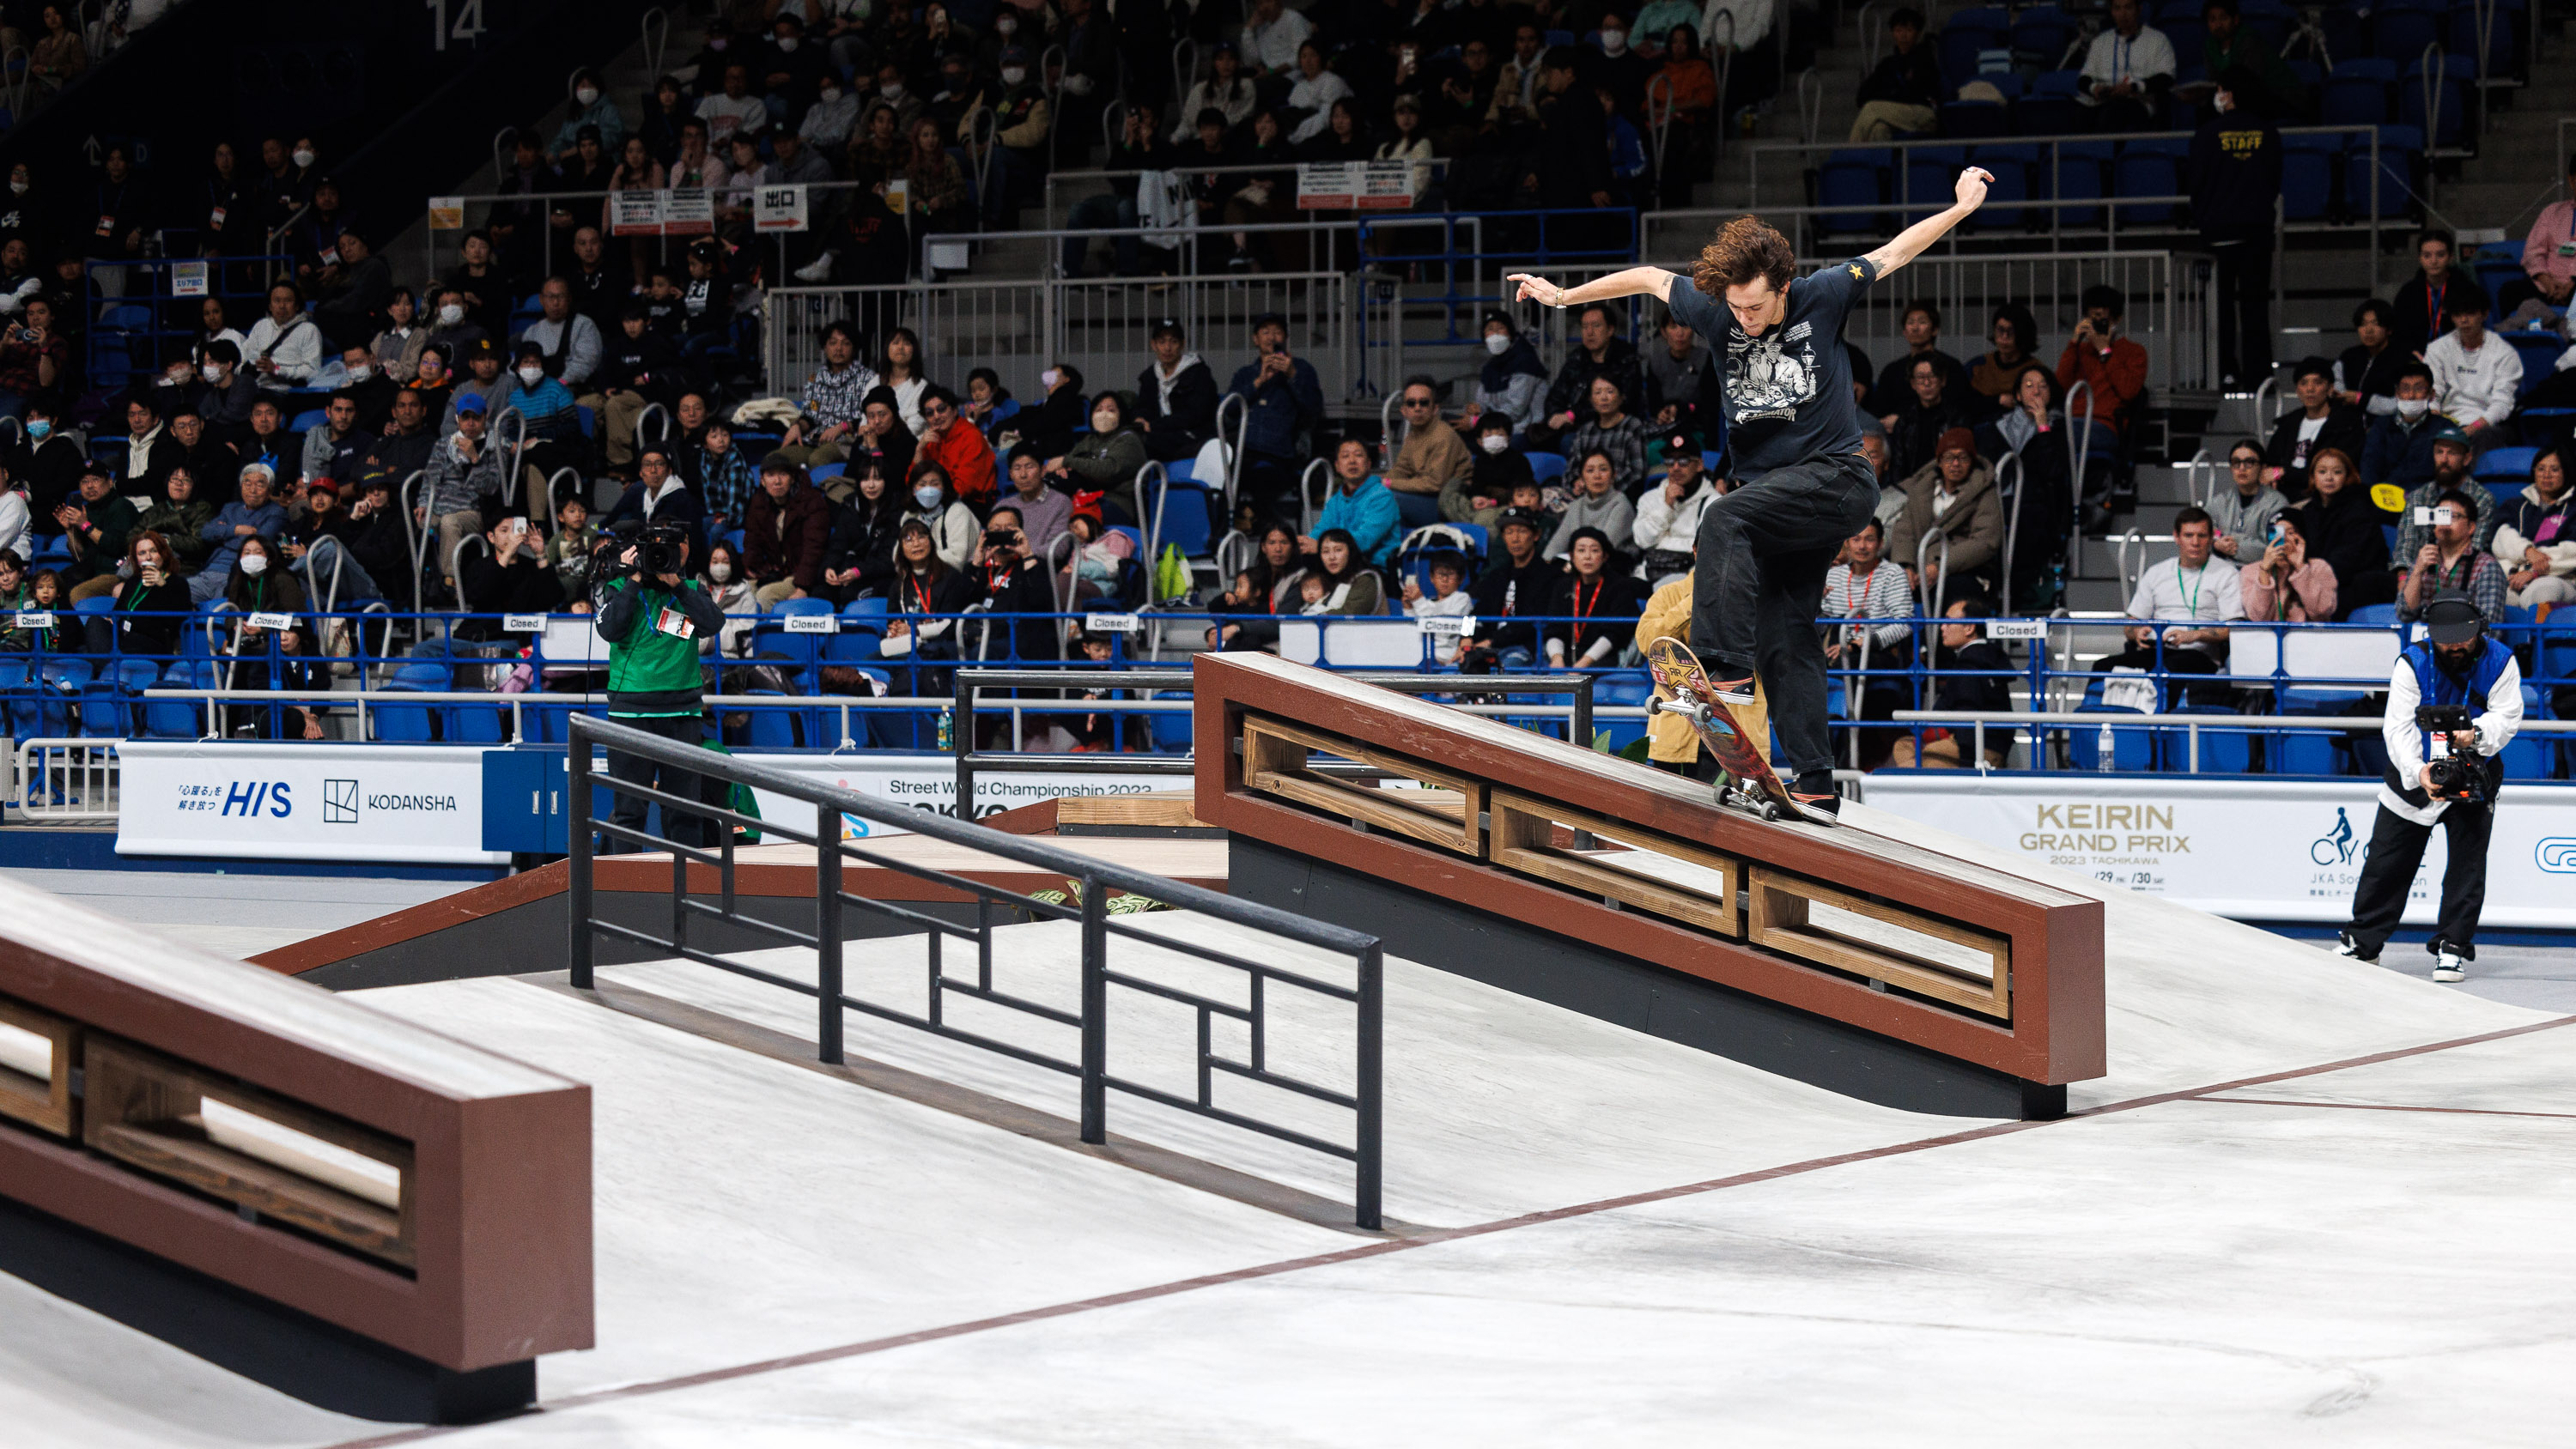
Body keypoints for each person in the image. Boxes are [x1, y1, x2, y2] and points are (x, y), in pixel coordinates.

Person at [1508, 169, 1997, 822]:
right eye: (1737, 309)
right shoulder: (1716, 309)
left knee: (1724, 518)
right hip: (1780, 504)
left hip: (1839, 478)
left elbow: (1897, 250)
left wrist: (1961, 206)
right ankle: (1819, 783)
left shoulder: (1823, 294)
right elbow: (1651, 278)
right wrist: (1564, 296)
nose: (1746, 320)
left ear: (1784, 288)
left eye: (1758, 308)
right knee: (1786, 633)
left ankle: (1719, 665)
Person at [2333, 594, 2519, 983]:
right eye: (2444, 640)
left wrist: (2476, 734)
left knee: (2466, 869)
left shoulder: (2501, 661)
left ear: (2478, 631)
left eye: (2461, 639)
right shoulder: (2412, 663)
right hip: (2416, 772)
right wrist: (2419, 772)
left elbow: (2508, 716)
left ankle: (2453, 948)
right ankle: (2363, 943)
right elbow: (2397, 728)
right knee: (2386, 864)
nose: (2453, 647)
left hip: (2474, 769)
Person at [595, 525, 726, 852]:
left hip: (682, 713)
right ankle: (625, 891)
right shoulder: (616, 587)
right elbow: (610, 629)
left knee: (685, 812)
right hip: (630, 713)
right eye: (653, 548)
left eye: (671, 545)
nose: (661, 554)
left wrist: (677, 586)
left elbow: (713, 624)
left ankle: (689, 888)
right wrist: (635, 578)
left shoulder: (693, 589)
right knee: (629, 812)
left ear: (685, 549)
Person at [2188, 69, 2281, 391]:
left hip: (2217, 234)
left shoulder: (2206, 133)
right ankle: (2260, 377)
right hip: (2255, 232)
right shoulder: (2268, 132)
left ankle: (2224, 372)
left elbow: (2195, 182)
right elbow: (2274, 181)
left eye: (2220, 89)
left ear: (2228, 94)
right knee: (2254, 307)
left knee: (2219, 309)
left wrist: (2208, 217)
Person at [2096, 506, 2243, 706]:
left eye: (2201, 535)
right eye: (2188, 535)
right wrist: (2136, 632)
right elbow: (2131, 622)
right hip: (2157, 648)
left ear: (2210, 539)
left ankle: (2157, 733)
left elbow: (2232, 628)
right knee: (2102, 666)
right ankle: (2098, 727)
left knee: (2166, 671)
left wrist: (2195, 635)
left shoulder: (2226, 573)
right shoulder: (2157, 572)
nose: (2195, 542)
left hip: (2199, 654)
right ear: (2176, 537)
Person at [1886, 427, 2003, 608]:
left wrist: (1939, 566)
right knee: (1889, 589)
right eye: (1949, 458)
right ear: (1939, 461)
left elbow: (1985, 541)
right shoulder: (1921, 489)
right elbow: (1905, 532)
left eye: (1962, 458)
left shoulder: (1984, 490)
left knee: (1951, 591)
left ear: (1972, 461)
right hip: (1919, 570)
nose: (1955, 464)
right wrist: (1905, 566)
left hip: (1964, 571)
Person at [1227, 313, 1324, 520]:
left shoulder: (1302, 369)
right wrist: (1259, 380)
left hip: (1281, 454)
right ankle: (1230, 528)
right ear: (1255, 339)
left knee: (1262, 480)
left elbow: (1314, 408)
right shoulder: (1245, 374)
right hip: (1245, 450)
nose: (1272, 337)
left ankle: (1254, 521)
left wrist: (1291, 376)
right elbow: (1229, 410)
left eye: (1277, 332)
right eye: (1266, 332)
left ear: (1286, 338)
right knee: (1222, 475)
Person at [1905, 600, 2016, 769]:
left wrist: (1968, 763)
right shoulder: (1983, 656)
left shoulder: (1970, 664)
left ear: (1969, 628)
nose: (1942, 627)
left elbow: (1967, 712)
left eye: (1949, 622)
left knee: (1925, 754)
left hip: (1977, 749)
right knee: (1904, 746)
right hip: (1986, 744)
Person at [2290, 447, 2387, 615]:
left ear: (2347, 476)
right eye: (2322, 472)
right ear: (2313, 477)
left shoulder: (2360, 508)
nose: (2329, 477)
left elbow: (2352, 557)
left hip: (2352, 581)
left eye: (2337, 472)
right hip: (2318, 577)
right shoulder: (2308, 511)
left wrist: (2315, 578)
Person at [1534, 302, 1643, 452]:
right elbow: (1556, 395)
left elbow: (1623, 402)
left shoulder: (1626, 359)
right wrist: (1555, 416)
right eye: (1585, 327)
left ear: (1610, 329)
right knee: (1526, 440)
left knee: (1568, 442)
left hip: (1610, 427)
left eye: (1596, 326)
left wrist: (1573, 415)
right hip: (1570, 426)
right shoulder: (1577, 358)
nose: (1589, 332)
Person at [2422, 290, 2519, 450]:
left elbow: (2502, 403)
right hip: (2448, 420)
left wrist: (2472, 428)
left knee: (2483, 438)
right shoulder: (2437, 349)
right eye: (2458, 315)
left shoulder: (2505, 353)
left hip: (2487, 423)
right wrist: (2435, 420)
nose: (2464, 320)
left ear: (2484, 314)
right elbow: (2433, 391)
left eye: (2470, 314)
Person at [2262, 358, 2366, 500]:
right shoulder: (2288, 424)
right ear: (2298, 390)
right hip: (2285, 497)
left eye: (2317, 383)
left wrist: (2286, 473)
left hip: (2326, 499)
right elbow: (2271, 463)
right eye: (2304, 383)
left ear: (2330, 389)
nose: (2310, 389)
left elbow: (2339, 473)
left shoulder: (2347, 424)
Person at [2399, 488, 2506, 625]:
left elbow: (2489, 627)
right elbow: (2404, 615)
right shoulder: (2422, 561)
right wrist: (2417, 572)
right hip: (2425, 642)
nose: (2444, 523)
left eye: (2453, 516)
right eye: (2440, 515)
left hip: (2464, 643)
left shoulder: (2486, 567)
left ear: (2471, 527)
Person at [1543, 527, 1647, 667]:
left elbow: (1614, 634)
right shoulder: (1562, 586)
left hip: (1606, 661)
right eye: (1581, 550)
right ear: (1572, 556)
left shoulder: (1619, 586)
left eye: (1594, 550)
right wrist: (1556, 658)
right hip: (1567, 659)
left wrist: (1583, 664)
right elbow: (1554, 628)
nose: (1587, 556)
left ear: (1605, 556)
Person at [2493, 444, 2576, 608]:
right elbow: (2501, 538)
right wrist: (2527, 551)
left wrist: (2533, 571)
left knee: (2543, 591)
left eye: (2554, 470)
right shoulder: (2515, 506)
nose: (2546, 475)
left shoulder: (2574, 508)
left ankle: (2535, 634)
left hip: (2560, 579)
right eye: (2541, 469)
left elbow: (2572, 552)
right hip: (2514, 576)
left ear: (2566, 473)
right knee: (2492, 592)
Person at [1382, 379, 1473, 529]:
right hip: (1423, 499)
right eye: (1411, 404)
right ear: (1404, 410)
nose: (1417, 408)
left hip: (1446, 505)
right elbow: (1401, 470)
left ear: (1435, 409)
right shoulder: (1413, 435)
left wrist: (1388, 484)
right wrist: (1374, 484)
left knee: (1388, 498)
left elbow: (1434, 484)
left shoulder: (1443, 435)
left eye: (1423, 403)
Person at [1866, 300, 1974, 422]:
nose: (1915, 328)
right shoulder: (1892, 371)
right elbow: (1879, 411)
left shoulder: (1951, 366)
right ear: (1904, 332)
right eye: (1910, 322)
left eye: (1922, 322)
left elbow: (1962, 407)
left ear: (1935, 330)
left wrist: (1903, 420)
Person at [1633, 435, 1718, 589]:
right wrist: (1666, 507)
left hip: (1692, 578)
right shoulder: (1649, 498)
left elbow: (1707, 551)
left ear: (1699, 465)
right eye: (1670, 462)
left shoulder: (1714, 502)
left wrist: (1663, 543)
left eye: (1684, 461)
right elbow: (1643, 541)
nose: (1676, 467)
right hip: (1651, 575)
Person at [2078, 0, 2176, 131]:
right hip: (2103, 102)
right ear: (2112, 12)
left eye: (2128, 8)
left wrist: (2133, 88)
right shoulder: (2100, 42)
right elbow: (2084, 79)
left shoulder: (2157, 39)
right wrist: (2095, 88)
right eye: (2117, 8)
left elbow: (2166, 78)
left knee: (2119, 109)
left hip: (2140, 102)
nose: (2123, 14)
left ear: (2138, 9)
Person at [1133, 320, 1219, 464]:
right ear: (1153, 345)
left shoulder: (1199, 373)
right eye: (1162, 342)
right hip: (1161, 435)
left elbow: (1195, 414)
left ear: (1182, 344)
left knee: (1144, 444)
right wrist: (1140, 419)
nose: (1167, 348)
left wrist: (1154, 426)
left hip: (1193, 436)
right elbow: (1143, 406)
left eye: (1173, 342)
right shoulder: (1150, 376)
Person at [2500, 155, 2576, 317]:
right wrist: (2548, 283)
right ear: (2571, 181)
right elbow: (2532, 253)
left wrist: (2572, 284)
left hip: (2574, 288)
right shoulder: (2552, 213)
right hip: (2547, 286)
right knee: (2509, 291)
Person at [1850, 7, 1941, 142]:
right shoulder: (1887, 64)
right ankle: (1880, 163)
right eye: (1899, 30)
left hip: (1923, 114)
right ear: (1893, 33)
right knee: (1878, 129)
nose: (1903, 36)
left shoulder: (1925, 59)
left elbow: (1914, 94)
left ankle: (1851, 158)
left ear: (1918, 33)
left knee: (1871, 109)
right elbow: (1862, 96)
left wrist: (1887, 95)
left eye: (1909, 30)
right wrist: (1892, 94)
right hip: (1894, 115)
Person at [1886, 353, 1975, 482]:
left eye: (1932, 376)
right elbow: (1898, 466)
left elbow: (1964, 463)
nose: (1927, 383)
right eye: (1921, 378)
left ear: (1942, 380)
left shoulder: (1958, 419)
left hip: (1946, 485)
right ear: (1913, 384)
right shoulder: (1904, 422)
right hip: (1912, 488)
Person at [2239, 509, 2337, 622]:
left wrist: (2301, 569)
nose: (2284, 540)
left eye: (2291, 533)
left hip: (2310, 638)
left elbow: (2321, 612)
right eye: (2277, 533)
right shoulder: (2252, 571)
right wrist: (2265, 572)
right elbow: (2258, 618)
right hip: (2268, 639)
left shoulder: (2319, 567)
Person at [2360, 365, 2444, 491]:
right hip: (2384, 498)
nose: (2411, 395)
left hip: (2425, 500)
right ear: (2397, 393)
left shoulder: (2444, 429)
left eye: (2419, 389)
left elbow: (2448, 477)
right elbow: (2369, 468)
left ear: (2431, 394)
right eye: (2405, 389)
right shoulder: (2381, 426)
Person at [2204, 438, 2287, 565]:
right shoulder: (2219, 502)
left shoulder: (2278, 504)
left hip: (2261, 574)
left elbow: (2277, 547)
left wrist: (2235, 546)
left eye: (2250, 462)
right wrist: (2216, 542)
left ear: (2263, 467)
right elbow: (2205, 531)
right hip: (2220, 572)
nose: (2242, 468)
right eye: (2236, 462)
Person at [1466, 311, 1549, 436]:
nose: (1495, 334)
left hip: (1526, 431)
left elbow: (1516, 411)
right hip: (1497, 428)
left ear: (1510, 334)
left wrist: (1479, 421)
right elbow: (1482, 402)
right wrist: (1476, 409)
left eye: (1500, 328)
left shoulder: (1525, 361)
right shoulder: (1489, 367)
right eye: (1490, 329)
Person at [1546, 450, 1637, 561]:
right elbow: (1557, 544)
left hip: (1613, 566)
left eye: (1603, 470)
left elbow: (1601, 548)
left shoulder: (1621, 504)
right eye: (1590, 471)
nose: (1597, 476)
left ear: (1613, 475)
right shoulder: (1576, 506)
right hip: (1580, 564)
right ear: (1582, 478)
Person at [2389, 230, 2463, 361]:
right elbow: (2398, 333)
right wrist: (2412, 352)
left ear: (2451, 257)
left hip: (2456, 358)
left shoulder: (2464, 288)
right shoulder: (2408, 292)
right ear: (2420, 258)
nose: (2433, 261)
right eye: (2427, 255)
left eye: (2440, 255)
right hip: (2417, 358)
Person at [2334, 300, 2407, 418]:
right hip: (2349, 426)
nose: (2368, 330)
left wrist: (2362, 400)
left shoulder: (2403, 360)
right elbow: (2336, 387)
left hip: (2387, 428)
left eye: (2376, 324)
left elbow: (2404, 403)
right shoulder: (2348, 357)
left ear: (2389, 329)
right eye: (2363, 324)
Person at [1967, 305, 2042, 413]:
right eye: (2000, 330)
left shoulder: (2035, 370)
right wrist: (1997, 400)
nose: (2004, 337)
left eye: (2011, 332)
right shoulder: (1978, 366)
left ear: (2022, 334)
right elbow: (1962, 400)